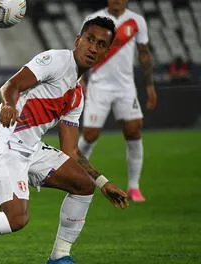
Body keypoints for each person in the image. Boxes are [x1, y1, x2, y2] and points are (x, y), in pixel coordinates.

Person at [0, 16, 129, 264]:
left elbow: (71, 151)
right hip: (2, 141)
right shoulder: (56, 60)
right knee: (16, 219)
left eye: (101, 44)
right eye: (89, 39)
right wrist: (8, 104)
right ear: (78, 40)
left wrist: (102, 182)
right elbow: (12, 85)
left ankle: (59, 257)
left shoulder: (76, 97)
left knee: (84, 186)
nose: (93, 48)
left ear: (106, 51)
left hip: (29, 148)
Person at [77, 0, 157, 202]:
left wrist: (149, 85)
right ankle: (77, 176)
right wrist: (79, 78)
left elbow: (144, 54)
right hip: (98, 85)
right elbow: (81, 48)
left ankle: (134, 186)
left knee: (133, 132)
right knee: (89, 135)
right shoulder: (93, 20)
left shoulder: (136, 21)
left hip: (125, 87)